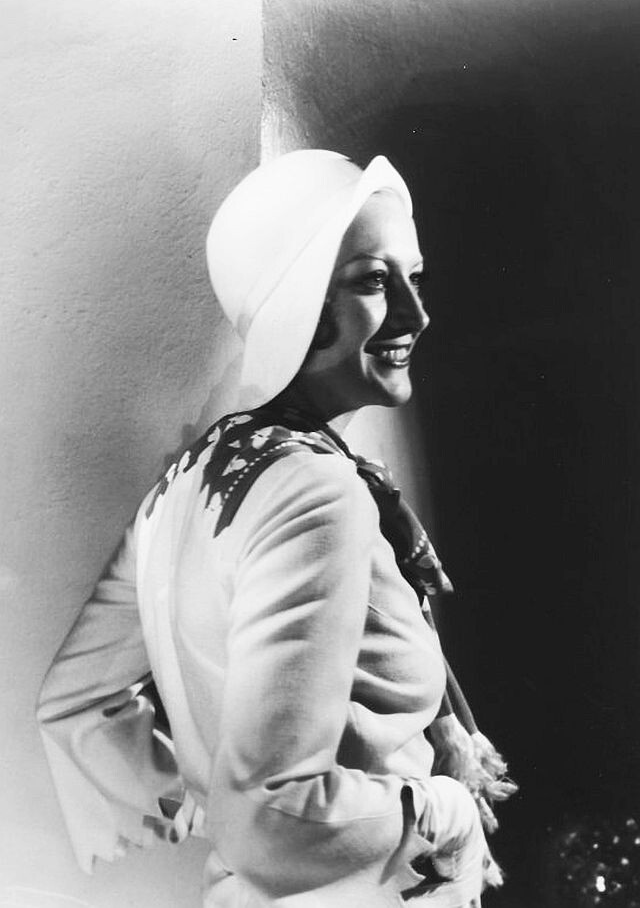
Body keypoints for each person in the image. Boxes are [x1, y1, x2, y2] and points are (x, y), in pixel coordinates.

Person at [36, 150, 514, 907]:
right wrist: (445, 813)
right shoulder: (317, 490)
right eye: (373, 281)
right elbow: (269, 813)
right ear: (300, 298)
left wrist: (214, 808)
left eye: (414, 279)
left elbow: (75, 706)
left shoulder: (191, 477)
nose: (415, 315)